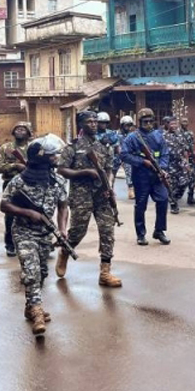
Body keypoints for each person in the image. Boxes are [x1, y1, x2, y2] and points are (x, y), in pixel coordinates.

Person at [0, 135, 69, 336]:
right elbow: (4, 205)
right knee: (31, 272)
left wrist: (63, 230)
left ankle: (30, 305)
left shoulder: (57, 181)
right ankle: (37, 312)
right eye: (52, 156)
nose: (56, 158)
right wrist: (27, 212)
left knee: (41, 273)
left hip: (45, 234)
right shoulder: (19, 181)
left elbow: (63, 207)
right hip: (23, 232)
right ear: (42, 158)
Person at [58, 111, 122, 287]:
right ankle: (65, 252)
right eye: (89, 122)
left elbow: (109, 169)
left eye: (95, 121)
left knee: (107, 231)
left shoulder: (104, 146)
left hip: (102, 195)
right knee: (78, 231)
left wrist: (109, 187)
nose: (94, 124)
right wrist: (84, 172)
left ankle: (105, 272)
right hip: (81, 195)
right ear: (81, 125)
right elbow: (62, 169)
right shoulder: (73, 146)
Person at [120, 108, 172, 246]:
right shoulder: (133, 137)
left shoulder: (158, 135)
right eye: (145, 122)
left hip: (156, 174)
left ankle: (159, 230)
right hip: (141, 175)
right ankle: (141, 234)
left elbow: (165, 153)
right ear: (140, 122)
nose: (148, 124)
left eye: (150, 121)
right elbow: (124, 155)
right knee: (140, 205)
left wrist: (162, 168)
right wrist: (142, 161)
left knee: (163, 199)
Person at [0, 122, 33, 257]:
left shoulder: (33, 148)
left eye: (23, 129)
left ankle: (39, 242)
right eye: (17, 128)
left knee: (35, 213)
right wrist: (14, 166)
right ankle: (10, 244)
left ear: (28, 133)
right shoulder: (6, 148)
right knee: (10, 215)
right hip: (11, 184)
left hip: (31, 184)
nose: (20, 130)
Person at [165, 116, 192, 214]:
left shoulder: (181, 135)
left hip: (181, 163)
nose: (174, 126)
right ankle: (173, 204)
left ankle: (175, 197)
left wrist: (187, 162)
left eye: (175, 124)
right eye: (172, 124)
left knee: (184, 182)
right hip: (170, 164)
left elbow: (185, 150)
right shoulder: (164, 136)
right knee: (172, 185)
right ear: (167, 125)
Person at [94, 112, 121, 186]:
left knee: (109, 183)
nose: (103, 125)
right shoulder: (92, 134)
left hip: (110, 162)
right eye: (101, 123)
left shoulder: (111, 134)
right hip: (96, 162)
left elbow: (117, 148)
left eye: (105, 123)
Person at [179, 117, 195, 206]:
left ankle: (190, 197)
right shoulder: (177, 134)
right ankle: (175, 197)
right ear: (180, 122)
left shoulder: (190, 133)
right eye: (183, 121)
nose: (185, 123)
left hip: (191, 158)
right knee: (181, 180)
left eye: (186, 121)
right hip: (181, 159)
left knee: (192, 179)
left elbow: (192, 146)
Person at [117, 115, 136, 200]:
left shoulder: (132, 135)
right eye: (126, 125)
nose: (128, 127)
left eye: (129, 125)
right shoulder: (117, 135)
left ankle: (131, 190)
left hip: (129, 156)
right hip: (117, 156)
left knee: (130, 172)